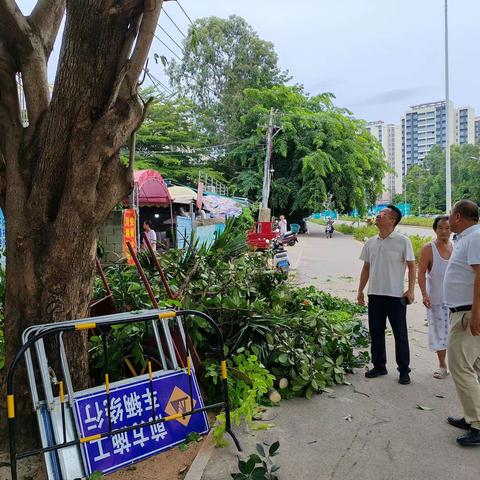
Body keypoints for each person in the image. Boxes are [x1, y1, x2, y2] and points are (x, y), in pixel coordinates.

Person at [357, 204, 416, 385]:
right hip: (375, 294)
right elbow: (366, 267)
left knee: (400, 334)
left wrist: (411, 289)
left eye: (382, 214)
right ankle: (379, 365)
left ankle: (404, 370)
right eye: (378, 213)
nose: (378, 216)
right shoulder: (370, 242)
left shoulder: (402, 241)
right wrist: (360, 290)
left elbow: (412, 265)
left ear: (393, 220)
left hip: (395, 295)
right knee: (376, 332)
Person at [443, 200, 480, 447]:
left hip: (468, 314)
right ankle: (472, 417)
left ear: (457, 216)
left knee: (460, 367)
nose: (447, 220)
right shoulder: (467, 238)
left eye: (450, 215)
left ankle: (477, 424)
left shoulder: (475, 238)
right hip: (463, 311)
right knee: (473, 367)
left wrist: (476, 313)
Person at [418, 216, 453, 379]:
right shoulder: (428, 248)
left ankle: (460, 367)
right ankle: (442, 365)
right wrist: (424, 294)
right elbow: (421, 273)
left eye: (447, 228)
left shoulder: (456, 247)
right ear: (435, 229)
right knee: (439, 333)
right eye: (440, 228)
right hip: (436, 299)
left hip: (456, 300)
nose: (444, 231)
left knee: (457, 334)